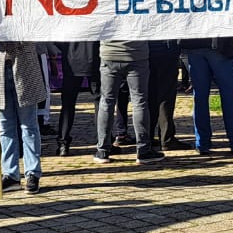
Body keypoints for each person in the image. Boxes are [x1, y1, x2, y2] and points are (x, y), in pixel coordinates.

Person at [0, 6, 47, 192]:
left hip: (24, 74)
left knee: (29, 126)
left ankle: (32, 173)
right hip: (0, 76)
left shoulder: (28, 7)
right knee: (5, 127)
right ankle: (10, 174)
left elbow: (38, 38)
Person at [96, 37, 159, 165]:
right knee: (139, 102)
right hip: (136, 54)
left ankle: (102, 150)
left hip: (109, 53)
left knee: (106, 102)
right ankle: (143, 150)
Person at [183, 35, 233, 156]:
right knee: (229, 96)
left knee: (199, 97)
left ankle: (202, 143)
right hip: (220, 44)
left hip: (193, 43)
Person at [54, 40, 99, 157]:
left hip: (71, 59)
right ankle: (104, 140)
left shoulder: (67, 20)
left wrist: (65, 49)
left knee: (68, 103)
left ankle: (63, 143)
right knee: (99, 101)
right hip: (94, 57)